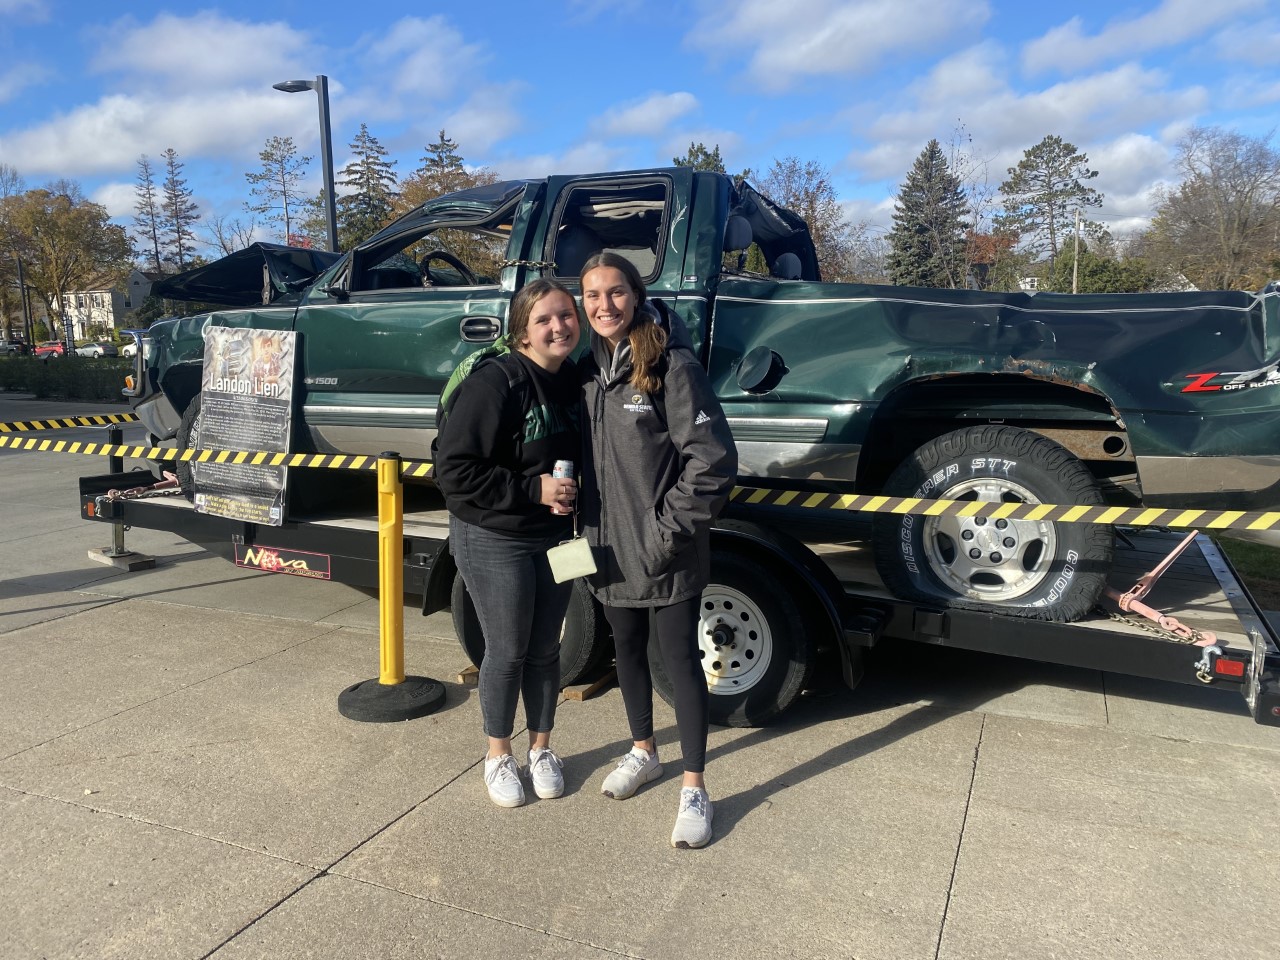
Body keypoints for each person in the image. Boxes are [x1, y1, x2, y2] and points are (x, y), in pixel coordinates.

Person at [577, 252, 737, 848]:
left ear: (637, 295)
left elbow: (713, 460)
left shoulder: (670, 365)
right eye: (592, 296)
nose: (604, 306)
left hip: (664, 551)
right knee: (626, 653)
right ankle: (644, 749)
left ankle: (695, 786)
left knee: (678, 663)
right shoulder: (585, 371)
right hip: (607, 548)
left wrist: (668, 531)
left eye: (615, 293)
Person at [434, 278, 582, 808]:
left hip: (555, 536)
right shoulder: (496, 383)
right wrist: (531, 489)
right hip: (494, 536)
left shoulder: (573, 382)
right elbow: (453, 472)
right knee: (507, 649)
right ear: (522, 330)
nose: (558, 326)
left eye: (566, 315)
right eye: (544, 319)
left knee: (547, 649)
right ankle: (498, 755)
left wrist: (571, 495)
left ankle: (541, 748)